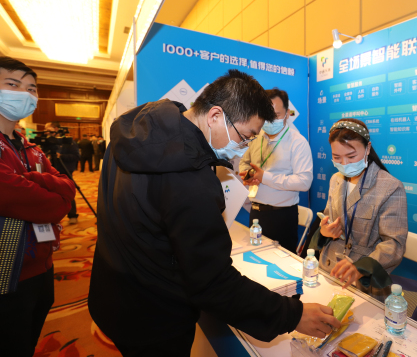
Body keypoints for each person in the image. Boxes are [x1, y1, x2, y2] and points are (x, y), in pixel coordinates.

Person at [88, 70, 339, 357]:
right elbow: (212, 282)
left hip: (113, 293)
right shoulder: (190, 178)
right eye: (245, 137)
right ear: (215, 116)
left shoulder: (136, 132)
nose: (242, 148)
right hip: (156, 316)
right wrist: (292, 314)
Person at [0, 57, 76, 357]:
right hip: (6, 271)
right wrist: (54, 195)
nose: (25, 94)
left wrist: (33, 178)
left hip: (42, 262)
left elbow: (67, 187)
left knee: (28, 338)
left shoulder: (30, 147)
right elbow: (29, 200)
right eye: (13, 84)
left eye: (32, 88)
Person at [309, 118, 407, 301]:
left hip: (363, 281)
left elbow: (394, 244)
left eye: (351, 156)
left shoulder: (390, 187)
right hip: (328, 268)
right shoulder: (336, 179)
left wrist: (361, 267)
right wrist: (325, 230)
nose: (344, 163)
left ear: (367, 148)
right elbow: (327, 217)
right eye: (337, 157)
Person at [239, 88, 313, 252]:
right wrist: (249, 174)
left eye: (276, 115)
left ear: (287, 113)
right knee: (255, 259)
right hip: (256, 214)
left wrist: (265, 177)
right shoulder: (256, 137)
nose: (271, 119)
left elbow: (304, 182)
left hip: (282, 217)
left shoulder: (297, 142)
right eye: (266, 114)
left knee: (283, 263)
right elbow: (244, 162)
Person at [45, 121, 80, 225]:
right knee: (51, 194)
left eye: (48, 129)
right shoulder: (48, 142)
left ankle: (72, 215)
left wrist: (61, 156)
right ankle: (54, 216)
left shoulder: (68, 142)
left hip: (65, 171)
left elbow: (76, 156)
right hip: (51, 171)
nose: (46, 132)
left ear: (56, 129)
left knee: (68, 193)